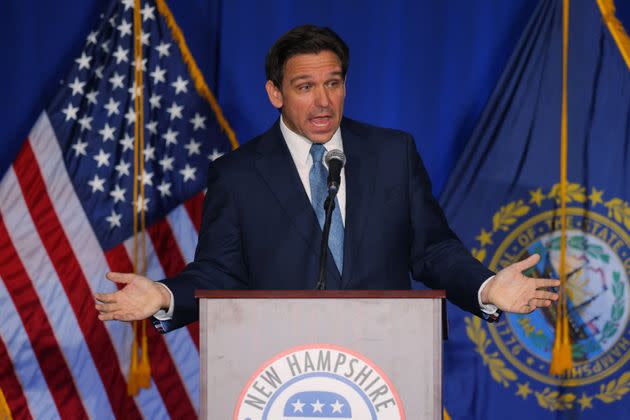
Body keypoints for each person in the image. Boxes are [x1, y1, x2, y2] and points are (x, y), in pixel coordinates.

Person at [95, 25, 559, 332]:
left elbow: (433, 249)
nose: (323, 102)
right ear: (275, 93)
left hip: (390, 361)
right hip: (283, 370)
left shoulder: (392, 153)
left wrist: (485, 287)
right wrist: (164, 294)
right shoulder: (237, 175)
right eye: (305, 87)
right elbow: (221, 272)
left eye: (333, 83)